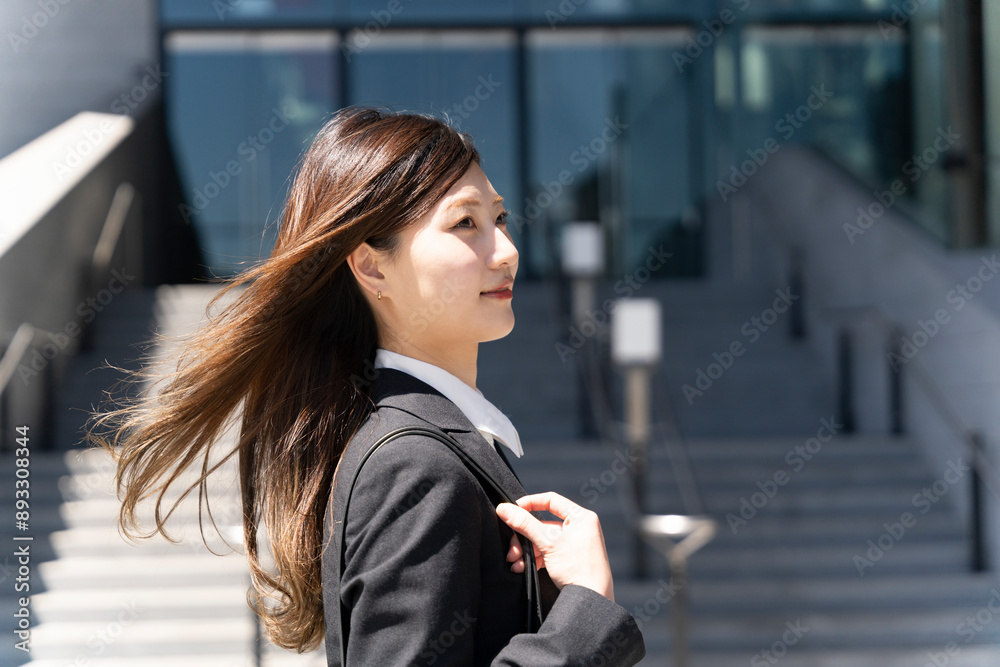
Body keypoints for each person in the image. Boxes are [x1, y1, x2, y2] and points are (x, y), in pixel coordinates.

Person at [90, 106, 645, 666]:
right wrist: (585, 612)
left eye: (499, 218)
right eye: (464, 223)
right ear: (373, 268)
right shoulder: (416, 467)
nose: (507, 251)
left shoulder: (428, 445)